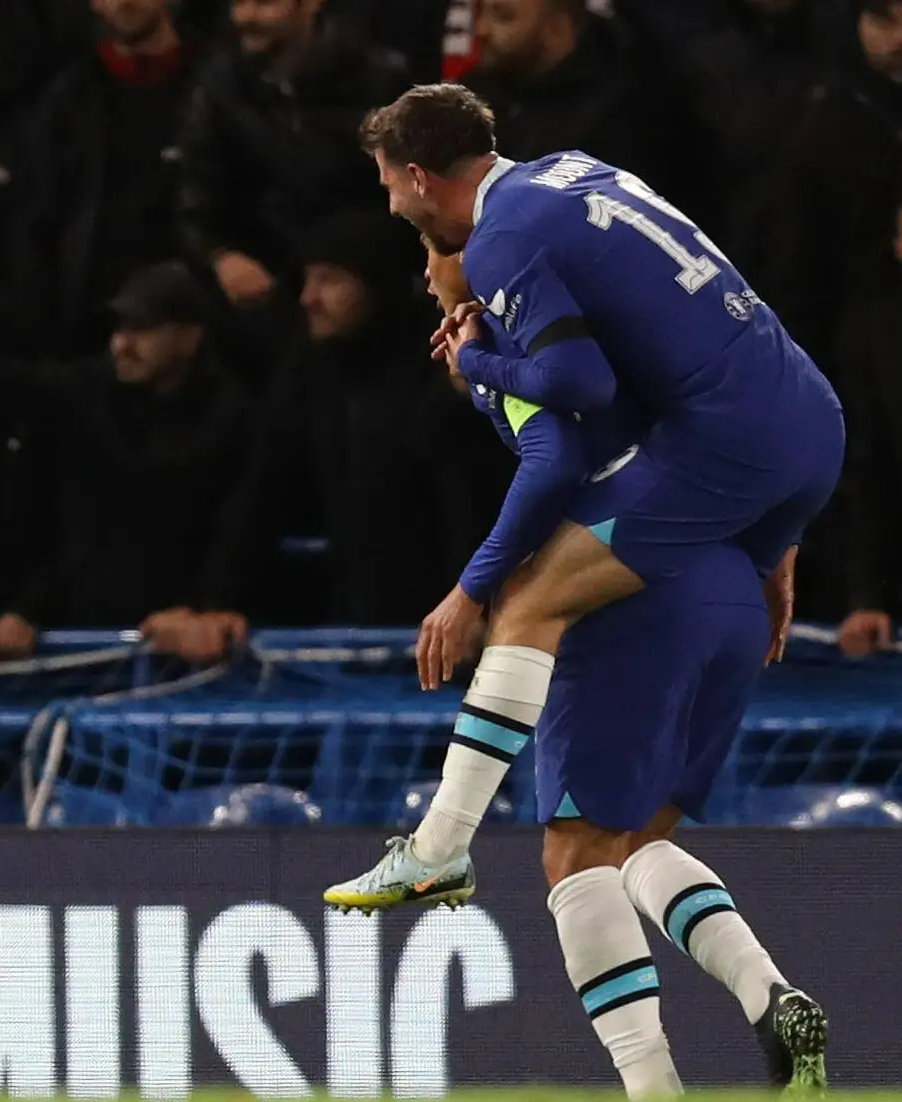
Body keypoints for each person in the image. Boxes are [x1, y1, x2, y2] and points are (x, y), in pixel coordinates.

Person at [328, 83, 842, 921]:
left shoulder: (501, 239)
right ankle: (764, 1001)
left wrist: (478, 365)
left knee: (525, 599)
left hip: (728, 445)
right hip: (810, 421)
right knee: (639, 847)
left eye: (389, 187)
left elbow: (573, 391)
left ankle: (436, 849)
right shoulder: (574, 170)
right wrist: (779, 537)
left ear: (418, 176)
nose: (393, 208)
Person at [341, 243, 828, 1099]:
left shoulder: (515, 339)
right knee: (640, 844)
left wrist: (472, 586)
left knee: (575, 864)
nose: (422, 271)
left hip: (631, 592)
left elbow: (556, 461)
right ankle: (771, 994)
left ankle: (650, 1085)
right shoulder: (616, 334)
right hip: (727, 585)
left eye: (432, 250)